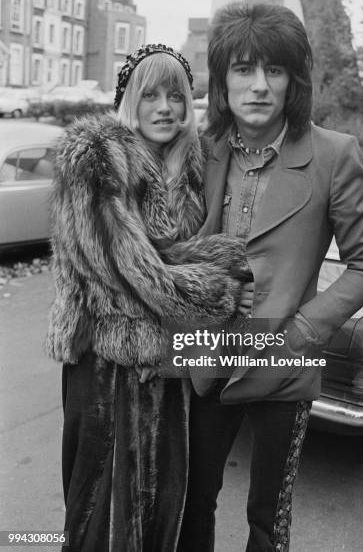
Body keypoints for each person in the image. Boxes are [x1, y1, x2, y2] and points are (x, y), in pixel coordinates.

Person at [177, 3, 363, 552]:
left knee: (267, 520)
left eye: (275, 70)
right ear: (222, 80)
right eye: (243, 69)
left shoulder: (334, 155)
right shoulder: (201, 150)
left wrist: (301, 332)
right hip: (204, 355)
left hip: (284, 361)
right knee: (190, 502)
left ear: (294, 79)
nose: (259, 86)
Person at [45, 43, 249, 552]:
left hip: (171, 365)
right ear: (128, 102)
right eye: (150, 95)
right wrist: (220, 274)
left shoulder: (195, 166)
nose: (165, 108)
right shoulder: (95, 156)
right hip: (105, 365)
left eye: (176, 96)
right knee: (98, 513)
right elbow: (130, 272)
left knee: (166, 509)